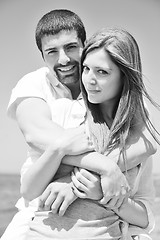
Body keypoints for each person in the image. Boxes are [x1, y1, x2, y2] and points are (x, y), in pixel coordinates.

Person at [1, 8, 156, 239]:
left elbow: (150, 143)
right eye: (52, 51)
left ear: (85, 44)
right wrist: (106, 168)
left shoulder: (133, 128)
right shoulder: (43, 93)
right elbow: (40, 140)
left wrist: (83, 188)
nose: (63, 59)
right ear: (43, 56)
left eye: (71, 47)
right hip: (38, 217)